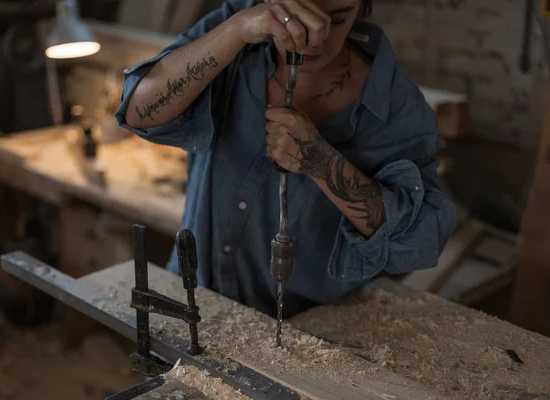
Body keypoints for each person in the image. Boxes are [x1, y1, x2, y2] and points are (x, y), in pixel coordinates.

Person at [115, 0, 456, 318]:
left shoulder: (393, 104)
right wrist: (237, 30)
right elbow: (137, 111)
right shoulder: (237, 28)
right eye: (295, 12)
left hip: (303, 331)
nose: (311, 38)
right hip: (194, 302)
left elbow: (419, 242)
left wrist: (322, 163)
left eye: (336, 19)